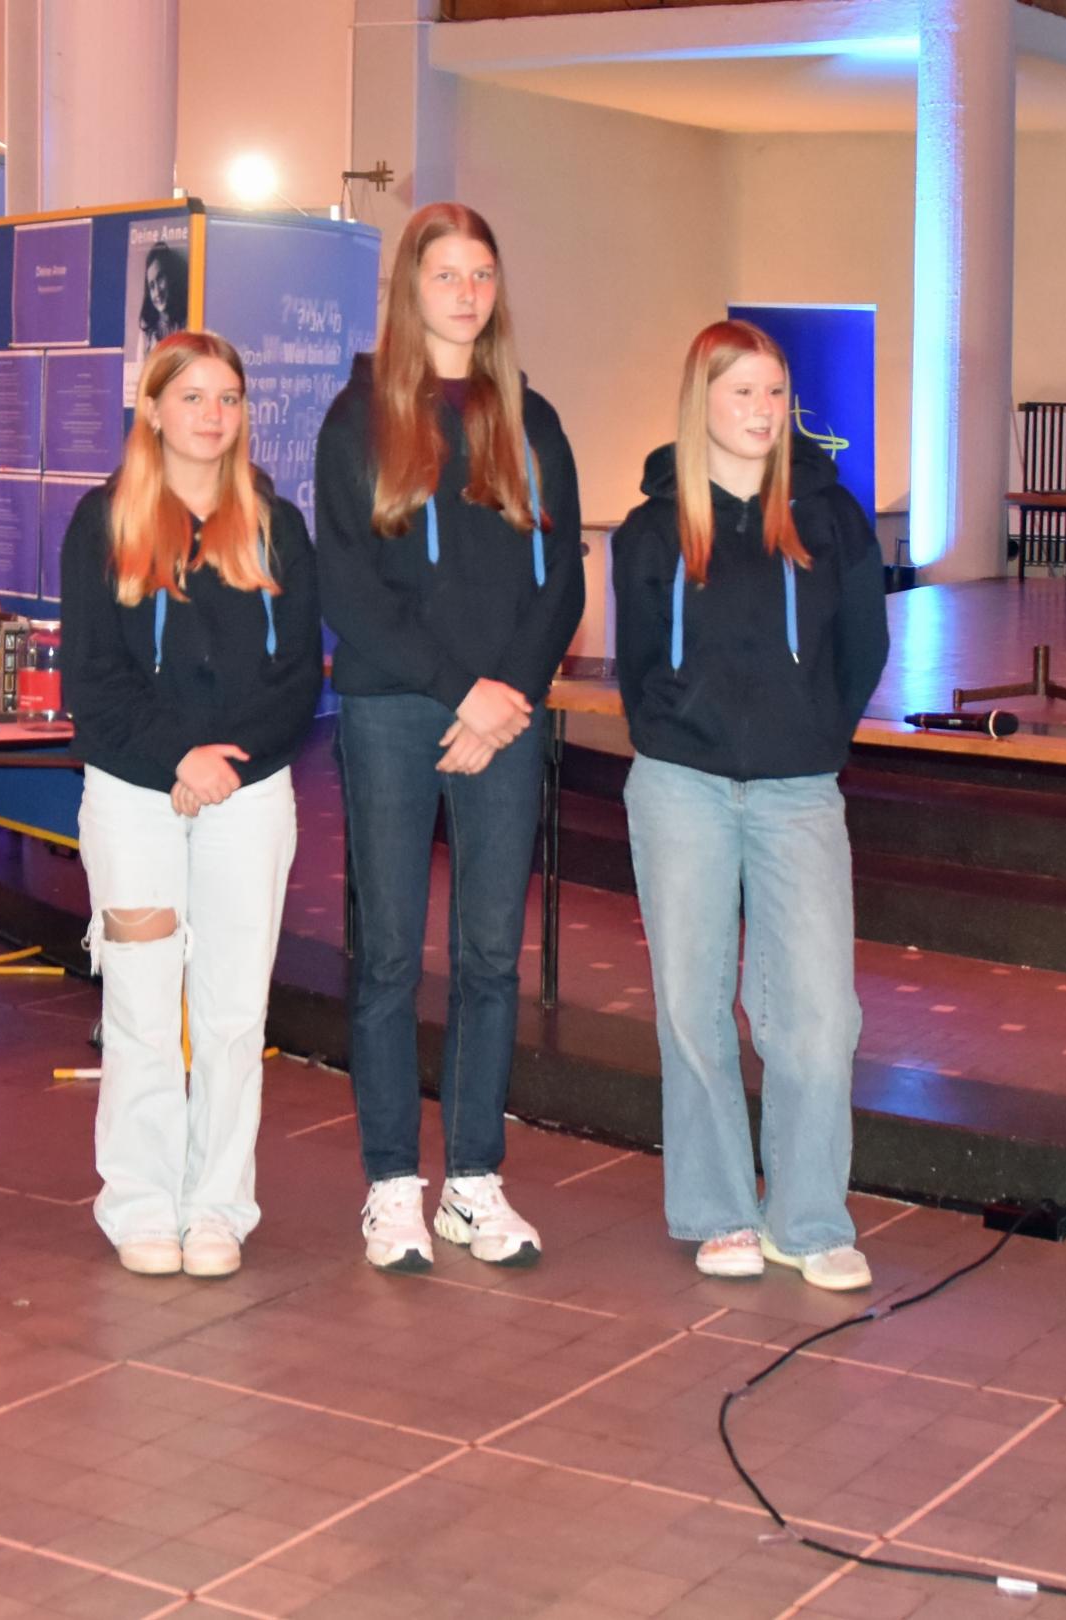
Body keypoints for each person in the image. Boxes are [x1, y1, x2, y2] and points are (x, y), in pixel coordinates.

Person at [315, 202, 584, 1273]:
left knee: (485, 957)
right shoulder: (359, 418)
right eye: (446, 274)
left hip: (505, 715)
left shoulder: (533, 420)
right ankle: (392, 1186)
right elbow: (347, 581)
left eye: (482, 273)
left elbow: (560, 580)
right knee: (386, 957)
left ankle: (473, 1181)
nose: (466, 292)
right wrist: (454, 691)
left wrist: (506, 691)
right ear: (410, 288)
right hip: (393, 710)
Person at [611, 321, 889, 1291]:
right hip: (679, 785)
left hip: (799, 790)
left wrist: (812, 734)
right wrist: (678, 731)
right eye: (744, 393)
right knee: (692, 1006)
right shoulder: (652, 528)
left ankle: (809, 1218)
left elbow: (864, 649)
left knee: (820, 1014)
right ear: (702, 402)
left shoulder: (831, 516)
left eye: (776, 394)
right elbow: (639, 660)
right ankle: (719, 1208)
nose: (765, 411)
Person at [60, 330, 323, 1279]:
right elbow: (91, 680)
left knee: (228, 1015)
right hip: (135, 800)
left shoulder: (276, 526)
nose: (214, 416)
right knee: (139, 1004)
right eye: (194, 397)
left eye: (228, 399)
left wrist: (228, 767)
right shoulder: (104, 523)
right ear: (153, 410)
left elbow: (298, 677)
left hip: (249, 802)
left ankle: (216, 1206)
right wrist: (178, 757)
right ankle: (139, 1203)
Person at [137, 240, 187, 352]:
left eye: (160, 279)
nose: (157, 292)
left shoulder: (189, 324)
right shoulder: (146, 334)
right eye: (152, 285)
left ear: (171, 277)